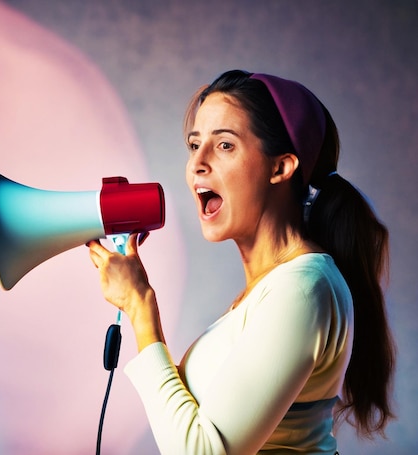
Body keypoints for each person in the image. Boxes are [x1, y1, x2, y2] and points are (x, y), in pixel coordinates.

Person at [87, 70, 395, 454]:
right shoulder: (272, 291)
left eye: (225, 146)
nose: (197, 163)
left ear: (280, 167)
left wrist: (139, 305)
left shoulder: (303, 288)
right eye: (193, 144)